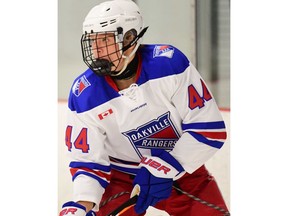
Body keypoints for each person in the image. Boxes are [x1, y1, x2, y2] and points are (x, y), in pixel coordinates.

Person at [59, 0, 229, 215]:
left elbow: (209, 129)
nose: (97, 50)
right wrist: (82, 204)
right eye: (92, 41)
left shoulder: (168, 64)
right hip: (119, 178)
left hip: (181, 169)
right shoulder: (84, 93)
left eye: (105, 39)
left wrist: (167, 166)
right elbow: (87, 162)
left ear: (130, 37)